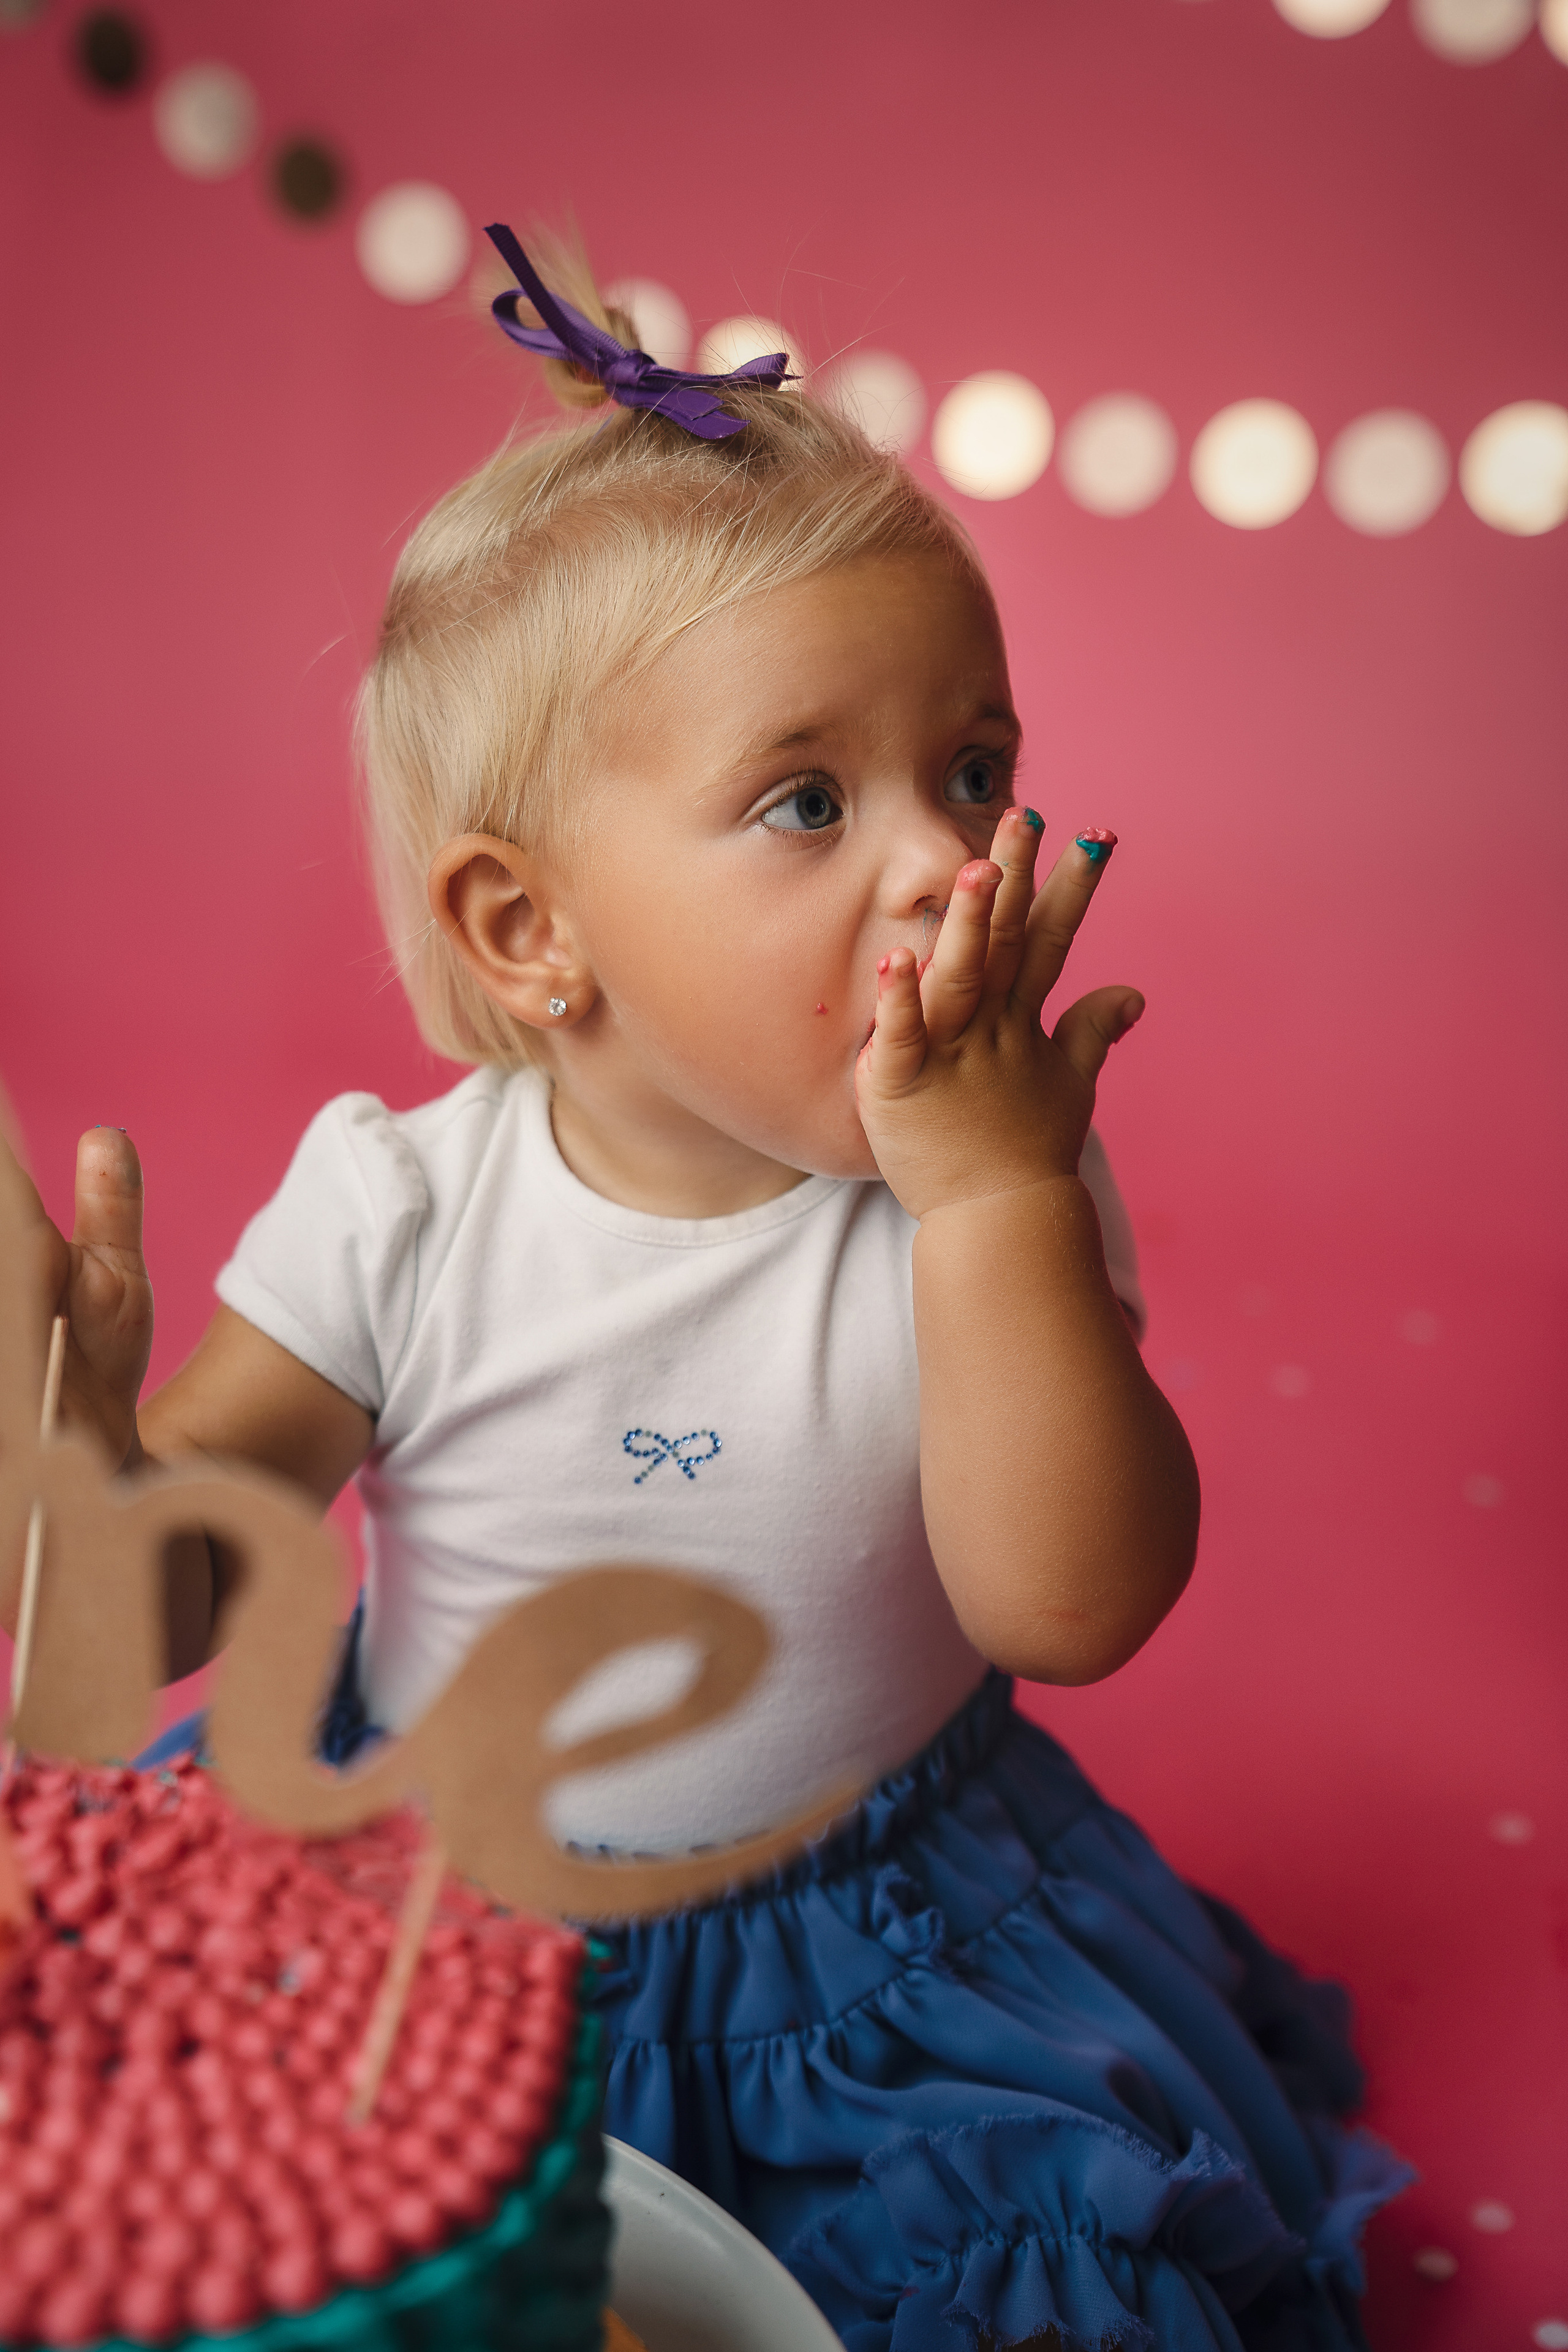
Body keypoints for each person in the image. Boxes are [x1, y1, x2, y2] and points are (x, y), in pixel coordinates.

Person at [22, 227, 1409, 2348]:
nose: (950, 865)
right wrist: (70, 1446)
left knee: (1028, 2295)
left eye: (973, 768)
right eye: (804, 800)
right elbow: (142, 1637)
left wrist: (992, 1198)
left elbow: (1073, 1608)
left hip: (870, 1959)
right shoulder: (401, 1210)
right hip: (419, 1909)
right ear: (528, 933)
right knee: (220, 2241)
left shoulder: (1000, 1186)